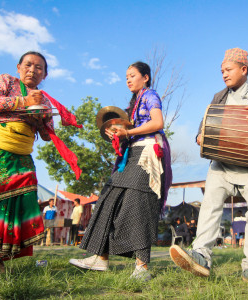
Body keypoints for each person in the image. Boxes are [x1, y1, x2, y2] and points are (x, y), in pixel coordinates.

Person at [169, 48, 248, 285]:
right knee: (210, 206)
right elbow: (207, 121)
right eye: (222, 71)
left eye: (228, 70)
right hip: (223, 166)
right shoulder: (219, 96)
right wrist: (199, 135)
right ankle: (201, 256)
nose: (224, 74)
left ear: (243, 69)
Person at [69, 61, 172, 282]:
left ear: (145, 77)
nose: (128, 79)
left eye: (132, 75)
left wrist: (129, 132)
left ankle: (142, 266)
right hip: (131, 155)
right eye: (126, 76)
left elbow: (158, 122)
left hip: (147, 153)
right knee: (108, 198)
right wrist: (116, 133)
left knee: (138, 203)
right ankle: (100, 257)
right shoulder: (132, 104)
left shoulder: (150, 95)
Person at [0, 51, 52, 283]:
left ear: (45, 74)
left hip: (21, 154)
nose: (32, 70)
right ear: (19, 67)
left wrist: (40, 118)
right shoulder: (6, 80)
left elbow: (48, 135)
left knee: (15, 202)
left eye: (39, 68)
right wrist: (24, 102)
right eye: (28, 65)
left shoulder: (45, 99)